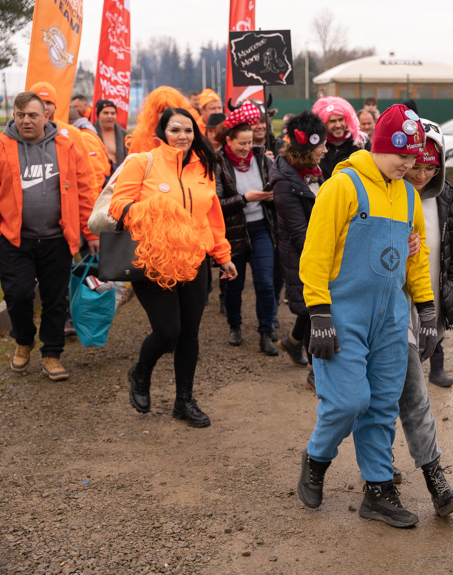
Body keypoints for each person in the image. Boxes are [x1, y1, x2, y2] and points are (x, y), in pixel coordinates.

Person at [296, 104, 436, 528]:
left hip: (391, 317)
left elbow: (418, 257)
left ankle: (378, 490)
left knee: (381, 405)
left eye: (415, 158)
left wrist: (426, 308)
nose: (410, 165)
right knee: (348, 401)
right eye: (403, 157)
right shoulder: (343, 187)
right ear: (379, 146)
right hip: (343, 316)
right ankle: (317, 457)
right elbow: (315, 254)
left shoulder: (408, 195)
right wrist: (319, 312)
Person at [109, 107, 236, 428]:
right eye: (175, 130)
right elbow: (117, 206)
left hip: (194, 261)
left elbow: (212, 216)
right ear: (162, 132)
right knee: (168, 332)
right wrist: (154, 208)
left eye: (189, 131)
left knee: (190, 334)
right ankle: (140, 372)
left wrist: (223, 255)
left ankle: (184, 401)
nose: (183, 137)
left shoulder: (203, 167)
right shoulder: (142, 161)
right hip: (152, 260)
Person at [0, 91, 98, 381]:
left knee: (55, 300)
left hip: (57, 239)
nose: (26, 120)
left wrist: (89, 231)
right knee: (18, 295)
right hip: (13, 240)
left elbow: (85, 191)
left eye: (33, 115)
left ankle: (52, 353)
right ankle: (24, 340)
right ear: (14, 115)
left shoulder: (66, 146)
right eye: (20, 114)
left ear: (46, 116)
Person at [396, 119, 453, 516]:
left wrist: (448, 301)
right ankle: (435, 481)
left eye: (430, 167)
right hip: (390, 310)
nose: (422, 175)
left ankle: (375, 466)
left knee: (398, 390)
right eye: (415, 165)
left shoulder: (444, 198)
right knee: (413, 392)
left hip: (428, 307)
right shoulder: (383, 196)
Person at [214, 102, 279, 355]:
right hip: (233, 234)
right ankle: (235, 325)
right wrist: (245, 199)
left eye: (249, 143)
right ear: (228, 141)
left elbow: (278, 187)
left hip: (262, 228)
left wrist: (274, 196)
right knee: (234, 284)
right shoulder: (218, 164)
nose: (246, 148)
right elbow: (216, 204)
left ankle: (266, 332)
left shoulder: (264, 159)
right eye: (241, 143)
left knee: (265, 283)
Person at [268, 110, 326, 388]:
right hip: (302, 253)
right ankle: (317, 373)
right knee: (318, 309)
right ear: (307, 149)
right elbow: (299, 232)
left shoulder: (312, 170)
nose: (325, 150)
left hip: (317, 247)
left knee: (310, 305)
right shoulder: (284, 182)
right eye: (321, 146)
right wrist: (327, 254)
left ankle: (293, 343)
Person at [127, 87, 198, 154]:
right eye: (162, 111)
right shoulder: (140, 139)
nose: (167, 114)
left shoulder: (188, 138)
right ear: (153, 113)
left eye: (171, 110)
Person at [311, 96, 366, 180]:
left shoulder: (360, 143)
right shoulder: (317, 146)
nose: (338, 125)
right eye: (332, 121)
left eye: (341, 119)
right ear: (324, 123)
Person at [93, 99, 129, 170]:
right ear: (98, 115)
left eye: (113, 113)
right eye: (105, 113)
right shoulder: (91, 134)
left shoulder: (125, 135)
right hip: (99, 174)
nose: (110, 116)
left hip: (120, 172)